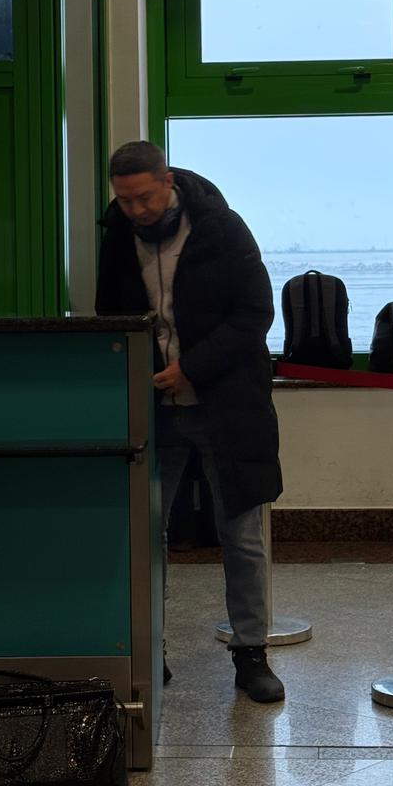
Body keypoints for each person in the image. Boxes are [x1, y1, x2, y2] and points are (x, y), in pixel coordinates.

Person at [96, 141, 285, 703]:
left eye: (145, 198)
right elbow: (111, 315)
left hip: (226, 403)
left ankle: (251, 653)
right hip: (151, 406)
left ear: (168, 182)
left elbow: (255, 314)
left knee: (241, 533)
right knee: (145, 534)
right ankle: (147, 651)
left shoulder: (223, 229)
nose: (137, 210)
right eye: (125, 200)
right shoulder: (117, 234)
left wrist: (191, 368)